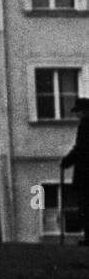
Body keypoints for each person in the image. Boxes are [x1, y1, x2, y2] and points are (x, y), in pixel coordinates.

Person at [61, 97, 89, 244]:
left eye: (79, 112)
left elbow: (81, 149)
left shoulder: (85, 126)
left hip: (86, 172)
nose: (77, 115)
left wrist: (67, 161)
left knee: (85, 205)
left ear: (85, 112)